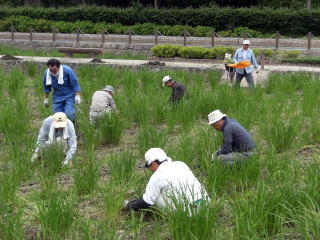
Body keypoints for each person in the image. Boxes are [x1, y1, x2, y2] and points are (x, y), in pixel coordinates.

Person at [125, 148, 209, 212]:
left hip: (189, 212)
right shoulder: (181, 164)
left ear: (153, 164)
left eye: (149, 166)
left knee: (156, 196)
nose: (150, 169)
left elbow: (147, 202)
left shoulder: (157, 175)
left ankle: (179, 215)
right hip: (206, 205)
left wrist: (129, 205)